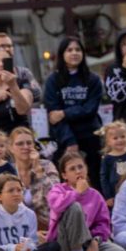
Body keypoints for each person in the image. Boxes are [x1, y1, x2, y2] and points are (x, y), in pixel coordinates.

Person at [47, 151, 126, 251]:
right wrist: (77, 193)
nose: (78, 171)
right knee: (75, 207)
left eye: (80, 167)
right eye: (72, 169)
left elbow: (103, 223)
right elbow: (57, 206)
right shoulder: (57, 190)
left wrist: (95, 241)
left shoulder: (95, 195)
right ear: (64, 175)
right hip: (63, 243)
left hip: (86, 241)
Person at [43, 36, 105, 183]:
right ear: (62, 54)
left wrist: (64, 112)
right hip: (64, 139)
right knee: (68, 183)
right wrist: (70, 141)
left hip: (91, 137)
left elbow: (90, 109)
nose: (74, 53)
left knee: (94, 179)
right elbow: (53, 115)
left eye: (78, 49)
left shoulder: (93, 79)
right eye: (69, 50)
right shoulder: (53, 80)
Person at [8, 127, 58, 232]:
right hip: (17, 225)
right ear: (11, 148)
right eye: (20, 144)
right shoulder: (8, 170)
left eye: (29, 143)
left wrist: (39, 171)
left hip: (45, 223)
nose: (25, 147)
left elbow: (55, 196)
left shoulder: (47, 165)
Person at [0, 32, 42, 102]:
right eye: (1, 46)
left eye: (10, 46)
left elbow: (38, 95)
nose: (7, 49)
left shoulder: (23, 73)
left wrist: (21, 90)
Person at [99, 120, 126, 207]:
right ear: (108, 141)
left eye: (122, 137)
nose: (120, 140)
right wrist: (108, 196)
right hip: (115, 193)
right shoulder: (107, 158)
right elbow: (104, 178)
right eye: (115, 138)